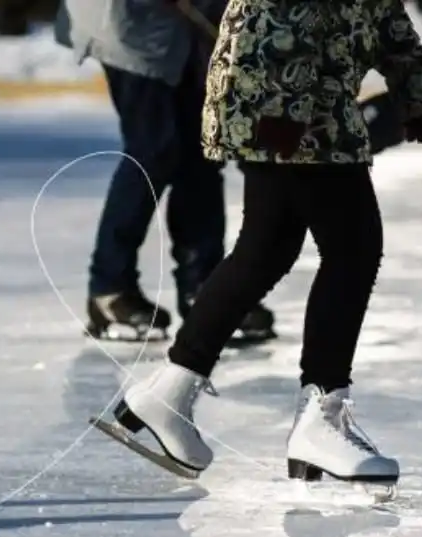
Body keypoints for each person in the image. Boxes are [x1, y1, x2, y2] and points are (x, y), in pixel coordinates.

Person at [98, 0, 422, 488]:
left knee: (266, 250)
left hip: (298, 101)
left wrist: (418, 90)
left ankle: (171, 390)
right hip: (286, 103)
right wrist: (279, 105)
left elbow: (377, 14)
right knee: (352, 250)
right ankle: (321, 419)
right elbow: (274, 17)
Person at [55, 0, 276, 344]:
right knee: (154, 148)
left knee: (201, 151)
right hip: (128, 23)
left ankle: (205, 290)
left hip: (180, 30)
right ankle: (109, 290)